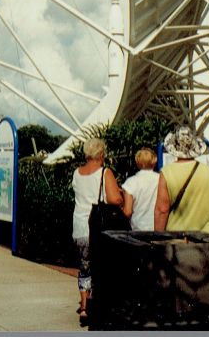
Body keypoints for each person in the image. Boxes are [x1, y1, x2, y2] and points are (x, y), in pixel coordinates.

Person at [71, 137, 125, 326]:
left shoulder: (77, 173)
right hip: (97, 227)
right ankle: (97, 305)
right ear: (101, 154)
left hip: (79, 225)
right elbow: (113, 199)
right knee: (100, 267)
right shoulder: (104, 173)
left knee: (84, 267)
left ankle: (84, 306)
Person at [157, 126, 209, 236]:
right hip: (208, 238)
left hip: (177, 238)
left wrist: (158, 239)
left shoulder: (167, 173)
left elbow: (162, 210)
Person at [121, 147, 160, 232]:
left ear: (137, 163)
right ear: (154, 162)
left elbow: (127, 211)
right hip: (158, 227)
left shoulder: (131, 182)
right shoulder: (161, 179)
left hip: (137, 228)